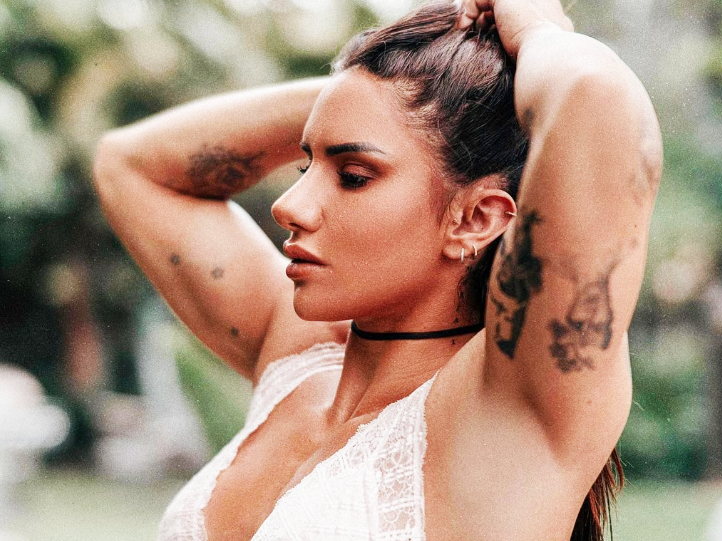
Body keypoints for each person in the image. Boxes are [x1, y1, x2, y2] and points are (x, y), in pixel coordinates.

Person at [93, 0, 661, 539]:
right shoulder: (298, 359)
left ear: (475, 219)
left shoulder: (508, 407)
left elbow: (595, 100)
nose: (289, 206)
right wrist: (396, 93)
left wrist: (536, 29)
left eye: (354, 176)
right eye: (306, 165)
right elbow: (129, 166)